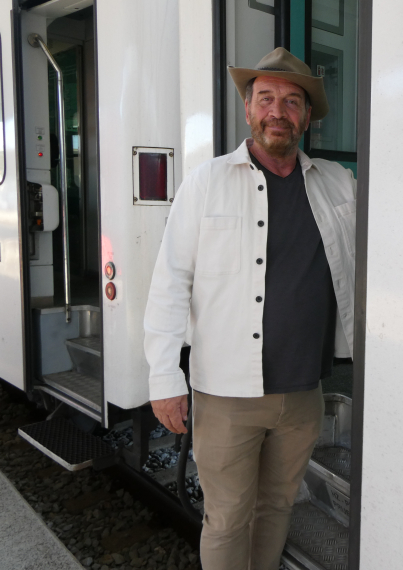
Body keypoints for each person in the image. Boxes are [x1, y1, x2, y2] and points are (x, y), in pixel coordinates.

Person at [143, 48, 356, 570]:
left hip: (304, 393)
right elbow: (170, 281)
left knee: (277, 506)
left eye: (291, 101)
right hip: (226, 395)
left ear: (307, 115)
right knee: (227, 518)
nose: (277, 111)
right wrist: (164, 376)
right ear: (247, 109)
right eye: (265, 99)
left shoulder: (338, 184)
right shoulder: (206, 182)